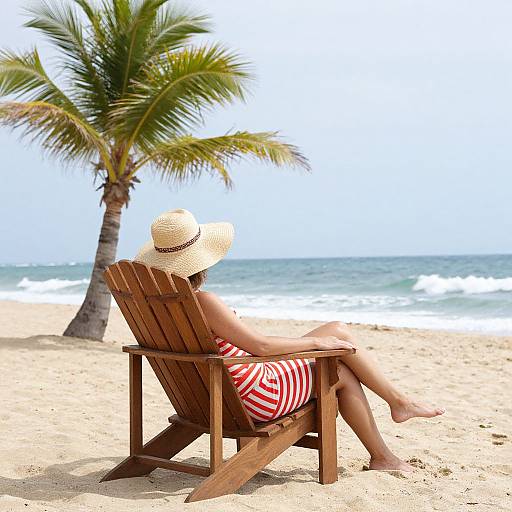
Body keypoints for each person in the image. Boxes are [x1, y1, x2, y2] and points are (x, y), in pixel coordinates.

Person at [135, 209, 445, 472]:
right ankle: (388, 441)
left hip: (206, 398)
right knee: (339, 370)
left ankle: (397, 410)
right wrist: (317, 345)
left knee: (336, 330)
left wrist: (320, 342)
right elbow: (261, 348)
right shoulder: (204, 301)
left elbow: (254, 346)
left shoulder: (155, 306)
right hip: (252, 398)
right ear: (199, 259)